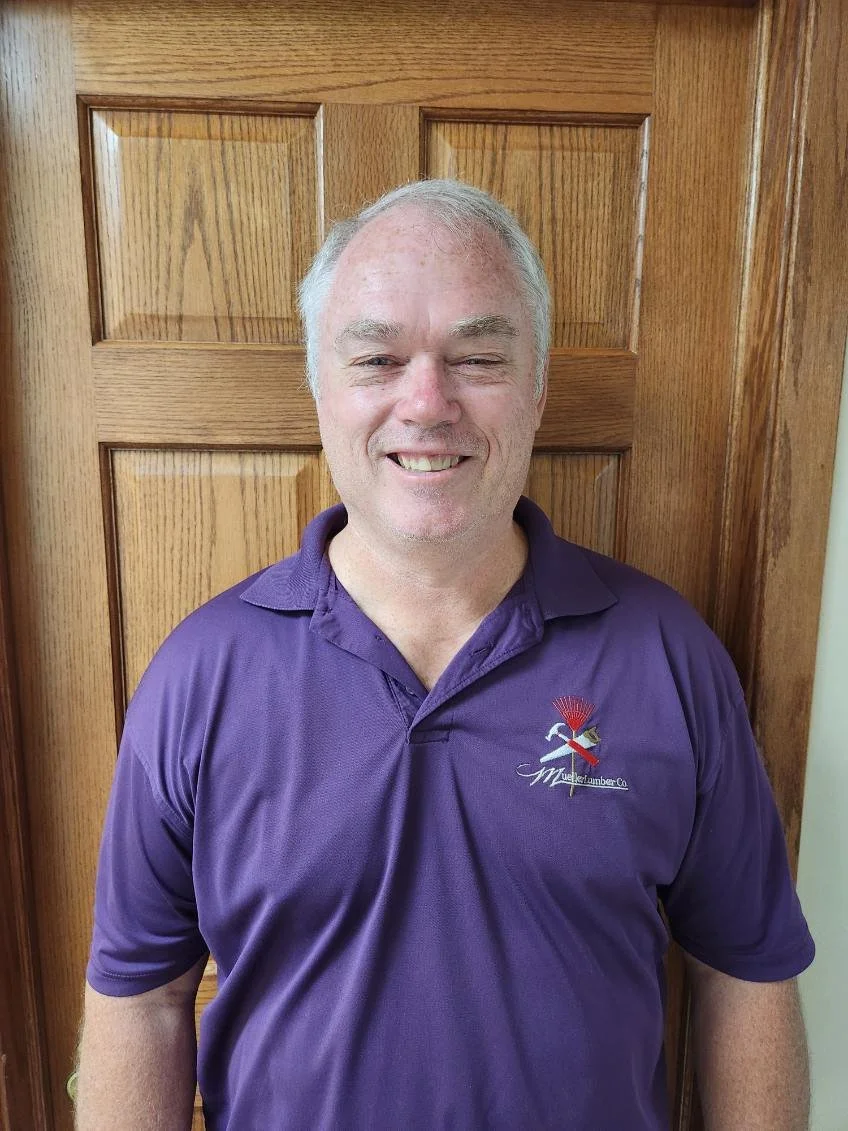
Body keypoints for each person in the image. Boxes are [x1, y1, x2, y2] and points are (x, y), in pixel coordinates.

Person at [76, 180, 814, 1130]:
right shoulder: (200, 677)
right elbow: (141, 999)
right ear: (320, 386)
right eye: (379, 358)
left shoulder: (669, 657)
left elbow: (744, 972)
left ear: (539, 383)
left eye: (477, 356)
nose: (427, 403)